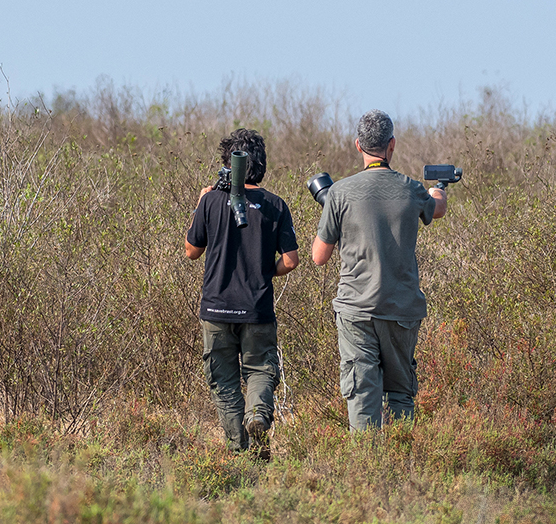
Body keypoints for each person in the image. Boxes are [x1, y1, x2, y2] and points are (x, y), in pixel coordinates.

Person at [311, 109, 446, 431]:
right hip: (401, 309)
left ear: (358, 145)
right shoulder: (411, 189)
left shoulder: (340, 193)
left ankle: (366, 465)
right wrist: (438, 189)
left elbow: (318, 256)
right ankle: (400, 460)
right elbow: (437, 209)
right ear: (392, 145)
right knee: (401, 392)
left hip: (356, 309)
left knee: (362, 392)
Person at [186, 128, 299, 457]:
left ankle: (239, 449)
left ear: (228, 163)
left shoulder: (210, 200)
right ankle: (258, 416)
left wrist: (201, 203)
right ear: (261, 165)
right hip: (257, 309)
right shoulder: (275, 205)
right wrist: (265, 271)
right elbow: (291, 261)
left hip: (216, 309)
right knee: (261, 370)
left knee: (224, 382)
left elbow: (192, 251)